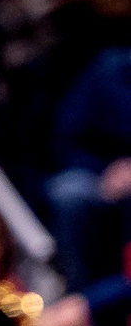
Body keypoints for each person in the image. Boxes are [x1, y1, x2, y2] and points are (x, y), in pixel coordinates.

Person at [46, 46, 131, 292]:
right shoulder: (109, 69)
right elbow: (66, 136)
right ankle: (78, 299)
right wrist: (107, 171)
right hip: (99, 171)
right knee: (67, 195)